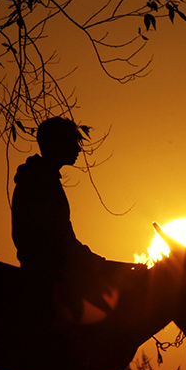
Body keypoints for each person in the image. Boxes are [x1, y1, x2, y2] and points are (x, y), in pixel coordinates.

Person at [11, 117, 110, 324]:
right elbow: (57, 237)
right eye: (73, 142)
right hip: (48, 274)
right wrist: (92, 261)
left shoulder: (41, 178)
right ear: (57, 144)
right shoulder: (40, 181)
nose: (78, 150)